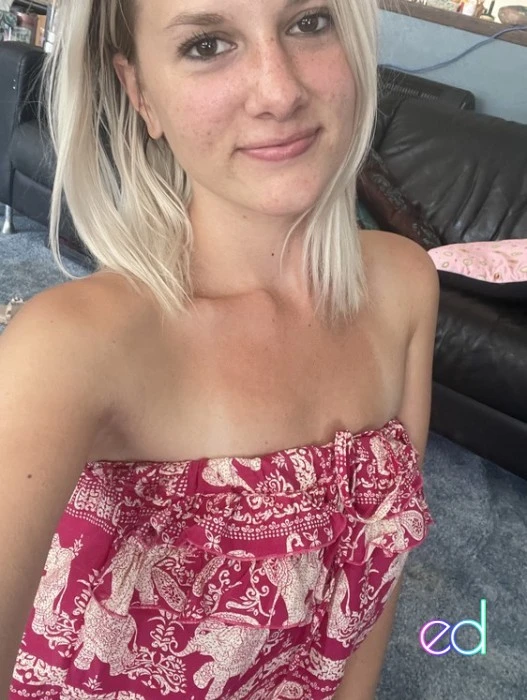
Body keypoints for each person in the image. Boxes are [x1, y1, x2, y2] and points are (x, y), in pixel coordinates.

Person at [0, 0, 439, 697]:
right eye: (206, 44)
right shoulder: (71, 347)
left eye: (308, 22)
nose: (280, 91)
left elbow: (375, 579)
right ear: (141, 93)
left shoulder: (404, 285)